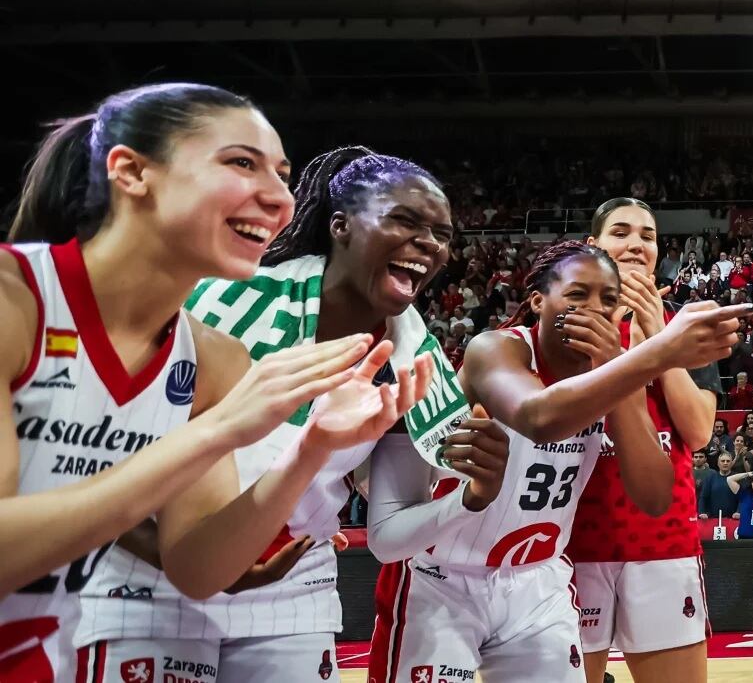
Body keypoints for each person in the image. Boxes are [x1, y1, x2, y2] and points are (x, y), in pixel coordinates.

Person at [0, 84, 419, 682]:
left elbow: (198, 568)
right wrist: (219, 429)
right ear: (133, 171)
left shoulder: (213, 356)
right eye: (242, 163)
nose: (278, 198)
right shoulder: (13, 299)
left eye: (283, 174)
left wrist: (311, 450)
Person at [75, 147, 483, 682]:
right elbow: (86, 453)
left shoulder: (416, 359)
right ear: (340, 226)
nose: (430, 243)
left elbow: (388, 530)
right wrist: (190, 559)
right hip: (148, 575)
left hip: (293, 586)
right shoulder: (217, 302)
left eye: (443, 234)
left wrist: (472, 497)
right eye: (405, 220)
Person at [365, 241, 749, 683]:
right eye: (577, 295)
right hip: (443, 576)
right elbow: (539, 417)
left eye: (609, 299)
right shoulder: (496, 349)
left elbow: (655, 495)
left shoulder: (613, 373)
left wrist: (620, 366)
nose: (595, 309)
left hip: (537, 581)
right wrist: (658, 352)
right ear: (537, 301)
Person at [573, 198, 724, 683]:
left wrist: (660, 337)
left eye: (647, 235)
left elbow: (699, 431)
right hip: (573, 542)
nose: (636, 243)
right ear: (593, 246)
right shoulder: (564, 320)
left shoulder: (690, 325)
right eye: (621, 232)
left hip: (662, 543)